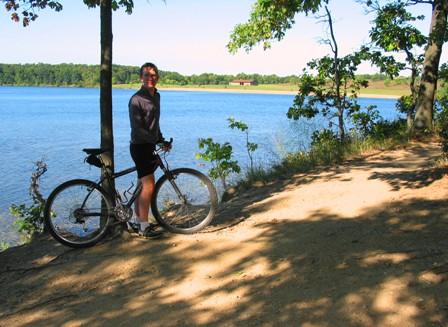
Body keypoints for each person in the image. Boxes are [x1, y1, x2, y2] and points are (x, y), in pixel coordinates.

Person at [128, 62, 169, 237]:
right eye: (146, 75)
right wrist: (154, 140)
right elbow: (138, 128)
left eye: (153, 75)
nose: (149, 78)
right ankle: (144, 228)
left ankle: (139, 222)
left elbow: (154, 124)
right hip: (140, 146)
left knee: (141, 186)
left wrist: (161, 140)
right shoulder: (136, 99)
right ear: (140, 78)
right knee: (148, 186)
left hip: (149, 144)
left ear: (157, 77)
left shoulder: (157, 96)